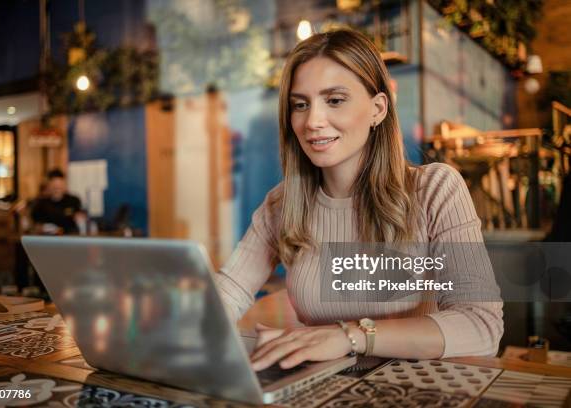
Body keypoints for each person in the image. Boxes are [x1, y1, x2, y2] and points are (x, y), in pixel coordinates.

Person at [213, 29, 503, 372]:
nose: (313, 122)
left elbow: (482, 326)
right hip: (320, 387)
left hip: (415, 390)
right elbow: (228, 292)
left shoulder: (435, 188)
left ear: (378, 108)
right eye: (300, 104)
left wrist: (350, 336)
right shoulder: (282, 204)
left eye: (334, 100)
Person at [31, 169, 84, 235]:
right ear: (49, 185)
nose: (57, 188)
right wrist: (42, 228)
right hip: (48, 240)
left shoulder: (73, 200)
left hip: (70, 238)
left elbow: (80, 218)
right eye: (54, 186)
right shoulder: (41, 204)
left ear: (64, 184)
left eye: (59, 186)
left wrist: (80, 219)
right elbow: (34, 226)